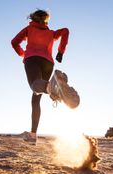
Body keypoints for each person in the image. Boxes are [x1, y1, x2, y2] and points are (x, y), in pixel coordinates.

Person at [11, 9, 69, 144]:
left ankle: (52, 88)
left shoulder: (29, 29)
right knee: (36, 99)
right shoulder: (51, 33)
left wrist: (23, 54)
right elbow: (65, 31)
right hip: (48, 63)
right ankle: (32, 135)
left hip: (32, 59)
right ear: (46, 20)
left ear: (33, 18)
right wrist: (60, 52)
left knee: (35, 85)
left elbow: (14, 42)